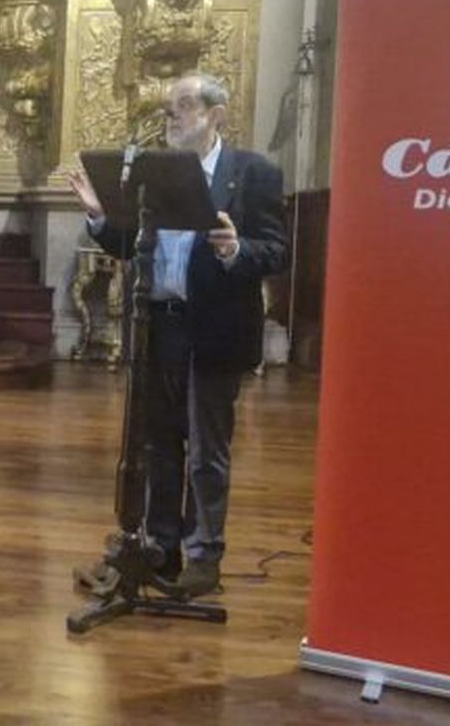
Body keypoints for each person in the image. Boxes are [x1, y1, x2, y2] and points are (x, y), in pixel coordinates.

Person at [66, 72, 288, 598]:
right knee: (159, 445)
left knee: (205, 450)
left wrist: (236, 250)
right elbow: (130, 243)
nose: (173, 116)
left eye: (185, 106)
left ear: (217, 114)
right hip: (155, 328)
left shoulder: (252, 172)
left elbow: (276, 250)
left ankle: (204, 555)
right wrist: (101, 218)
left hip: (213, 328)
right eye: (170, 108)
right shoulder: (154, 175)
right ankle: (161, 547)